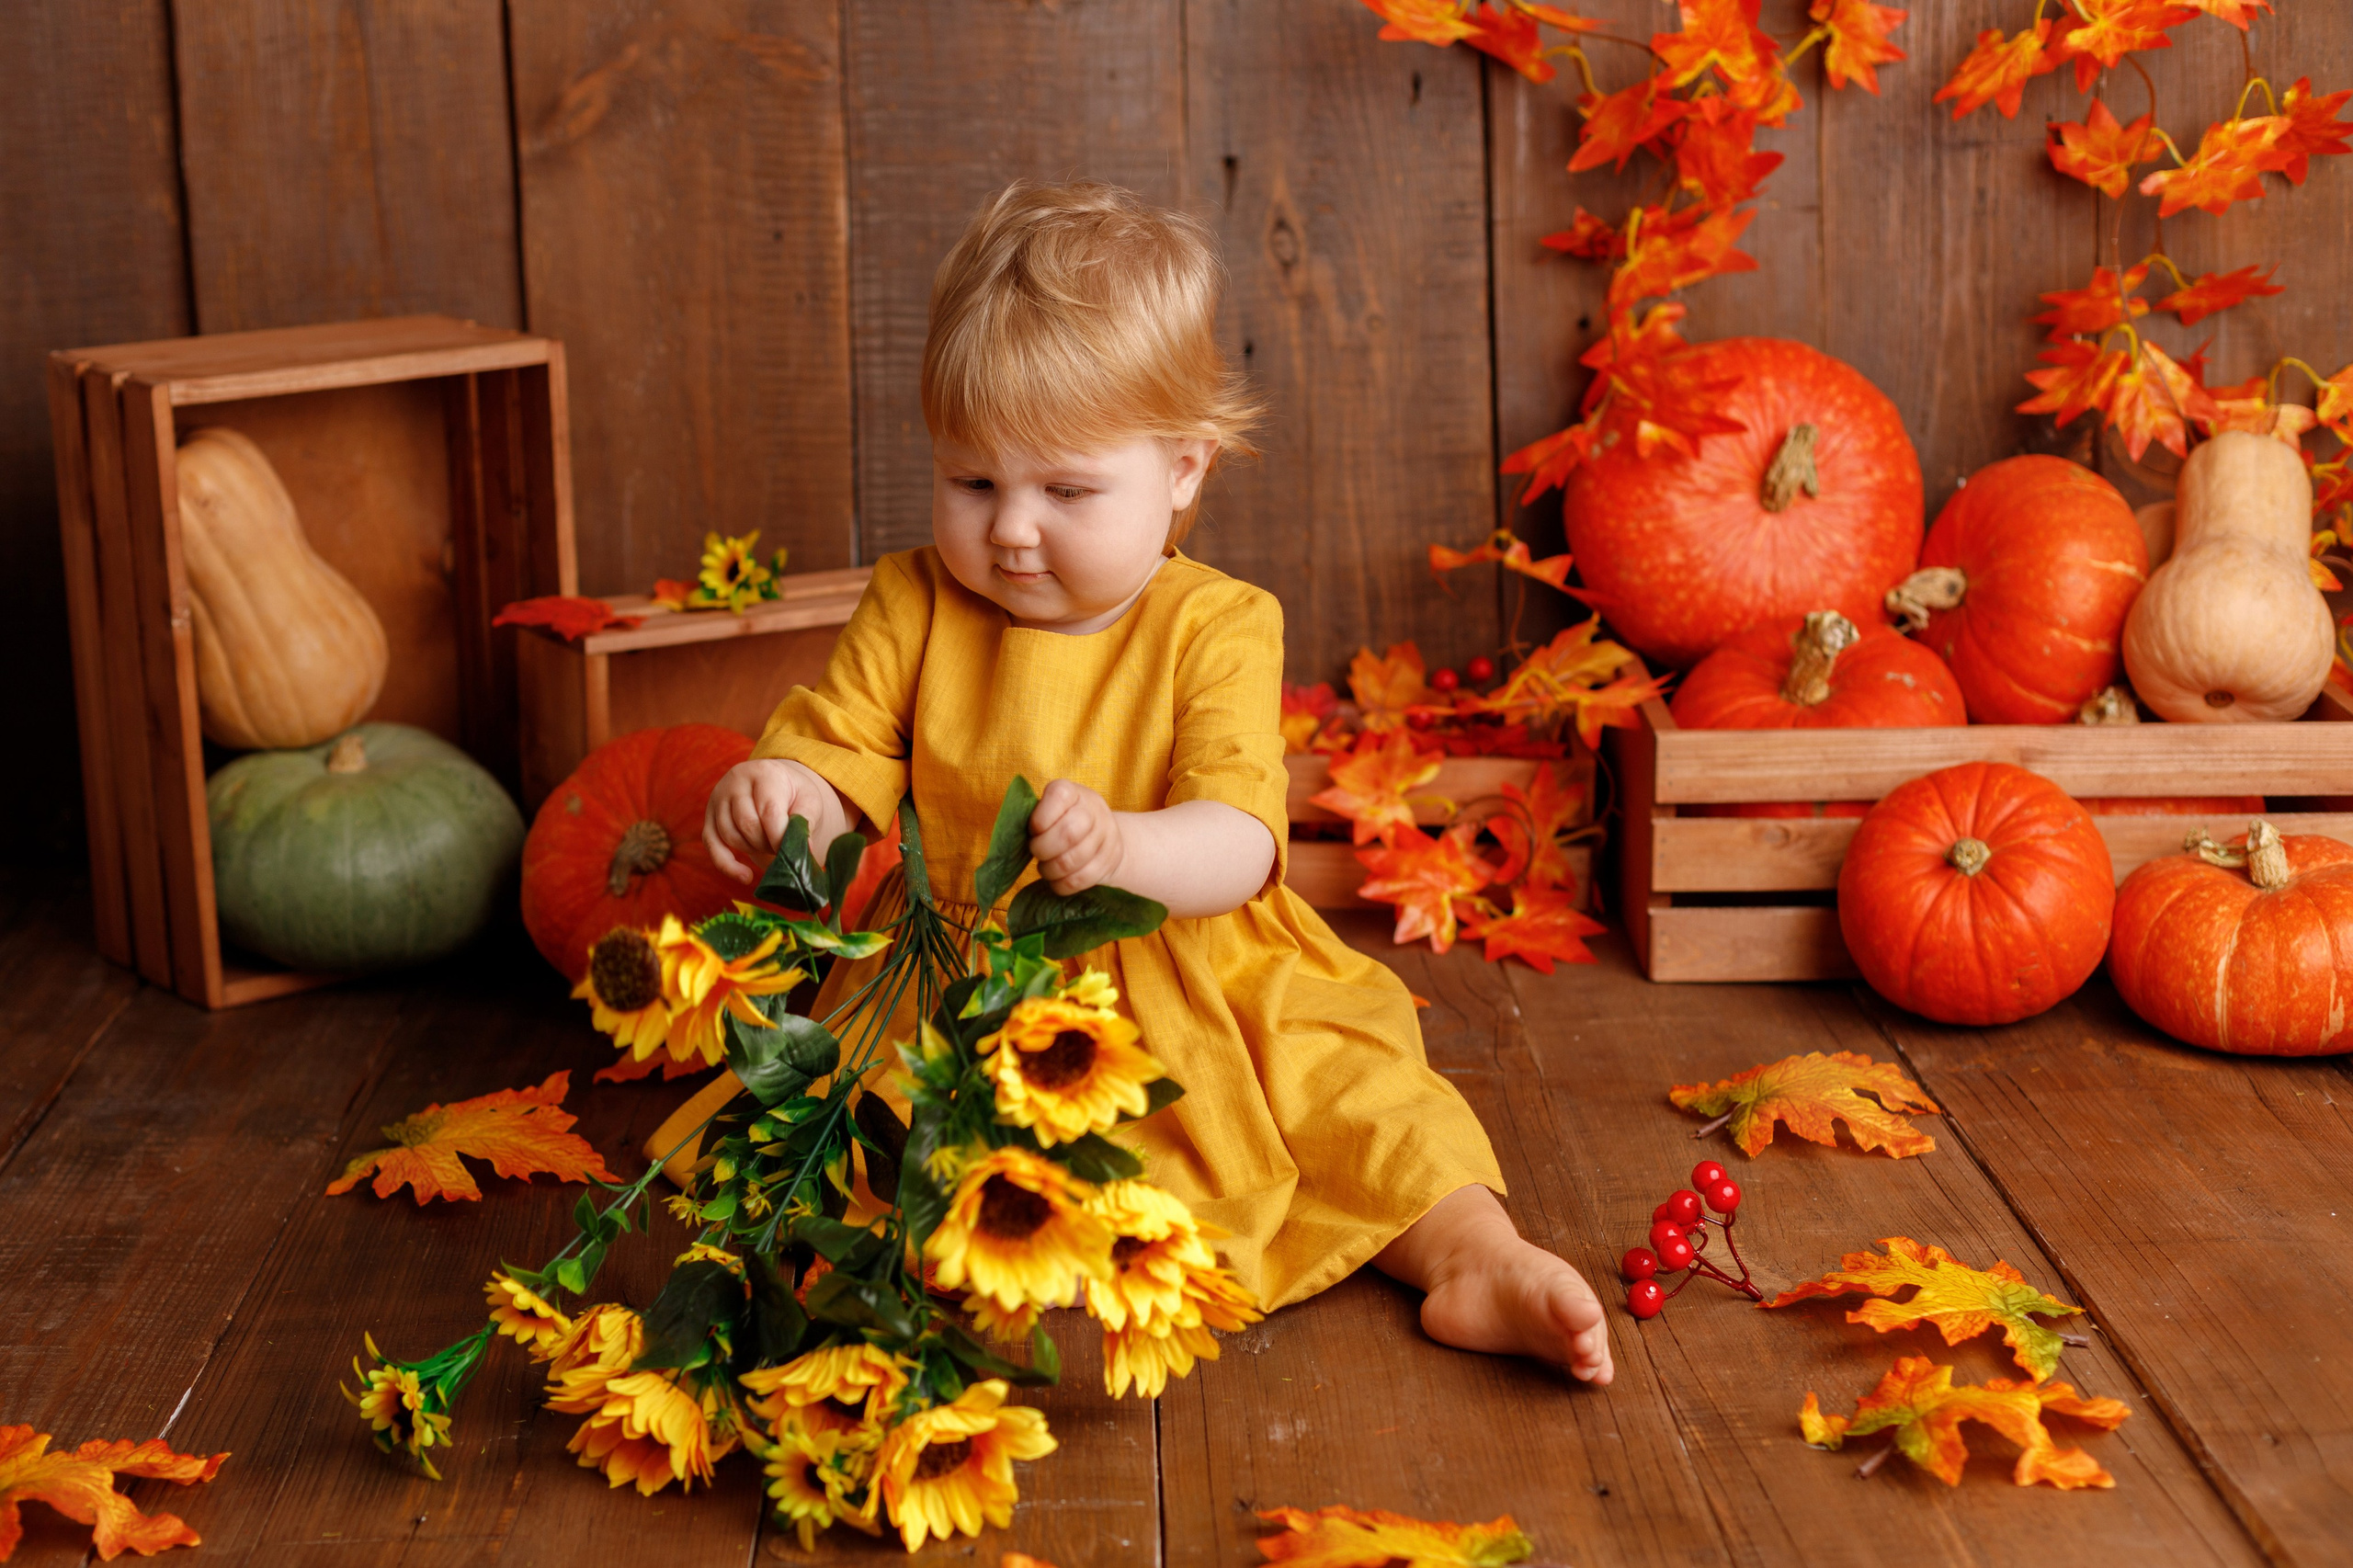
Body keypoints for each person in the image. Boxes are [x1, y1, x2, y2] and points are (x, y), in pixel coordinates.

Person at [683, 179, 1611, 1385]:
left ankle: (1474, 1254)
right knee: (872, 1145)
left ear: (1184, 469)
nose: (1011, 530)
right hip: (964, 979)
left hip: (1196, 965)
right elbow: (841, 749)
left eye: (1066, 491)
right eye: (973, 482)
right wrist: (785, 795)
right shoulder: (915, 601)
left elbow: (1242, 837)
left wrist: (1125, 851)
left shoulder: (1215, 624)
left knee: (1349, 1087)